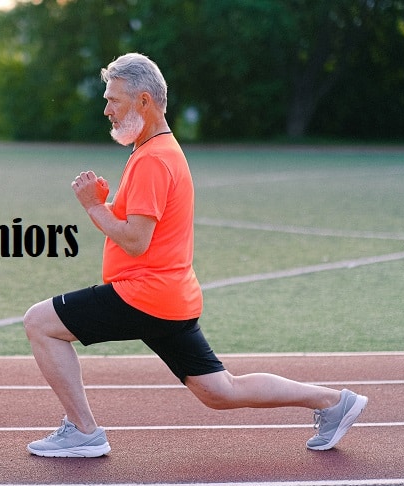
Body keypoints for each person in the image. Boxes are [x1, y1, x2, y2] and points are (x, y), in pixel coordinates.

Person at [23, 53, 367, 458]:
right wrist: (107, 203)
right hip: (168, 297)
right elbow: (143, 226)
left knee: (40, 322)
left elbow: (136, 241)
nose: (107, 109)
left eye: (114, 99)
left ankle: (83, 432)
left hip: (143, 294)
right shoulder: (158, 150)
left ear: (144, 102)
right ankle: (333, 401)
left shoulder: (152, 159)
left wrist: (93, 207)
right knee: (220, 391)